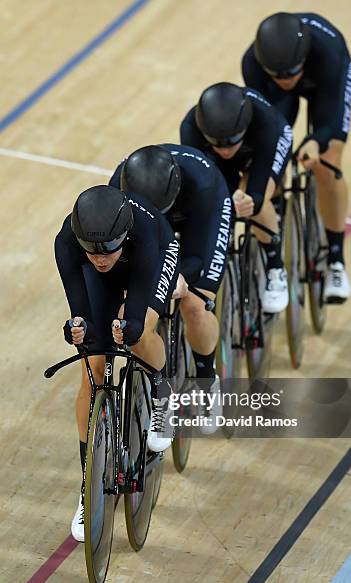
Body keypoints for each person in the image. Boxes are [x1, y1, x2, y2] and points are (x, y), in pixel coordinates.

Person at [55, 184, 179, 541]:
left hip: (152, 257)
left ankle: (163, 394)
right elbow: (79, 311)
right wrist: (76, 329)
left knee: (137, 335)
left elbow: (137, 315)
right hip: (104, 279)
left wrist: (128, 326)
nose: (100, 255)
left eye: (108, 247)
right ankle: (87, 486)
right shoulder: (68, 243)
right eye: (92, 249)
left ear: (122, 235)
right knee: (92, 366)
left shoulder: (143, 235)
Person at [110, 144, 232, 431]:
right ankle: (156, 386)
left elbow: (198, 259)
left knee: (194, 304)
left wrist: (177, 275)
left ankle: (206, 378)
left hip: (198, 221)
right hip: (148, 231)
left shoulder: (203, 187)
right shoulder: (118, 185)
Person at [242, 12, 351, 302]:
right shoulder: (253, 63)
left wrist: (317, 141)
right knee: (264, 160)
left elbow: (333, 118)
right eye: (278, 74)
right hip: (278, 97)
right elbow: (265, 130)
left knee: (328, 162)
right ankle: (274, 212)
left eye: (291, 73)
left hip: (325, 84)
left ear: (302, 60)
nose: (286, 79)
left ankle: (336, 260)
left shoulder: (328, 52)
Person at [180, 81, 292, 313]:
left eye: (231, 141)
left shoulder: (264, 122)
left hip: (267, 145)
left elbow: (259, 185)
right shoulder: (191, 128)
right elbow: (202, 182)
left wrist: (251, 199)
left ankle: (275, 267)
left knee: (254, 202)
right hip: (224, 161)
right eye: (218, 143)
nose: (224, 148)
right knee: (216, 204)